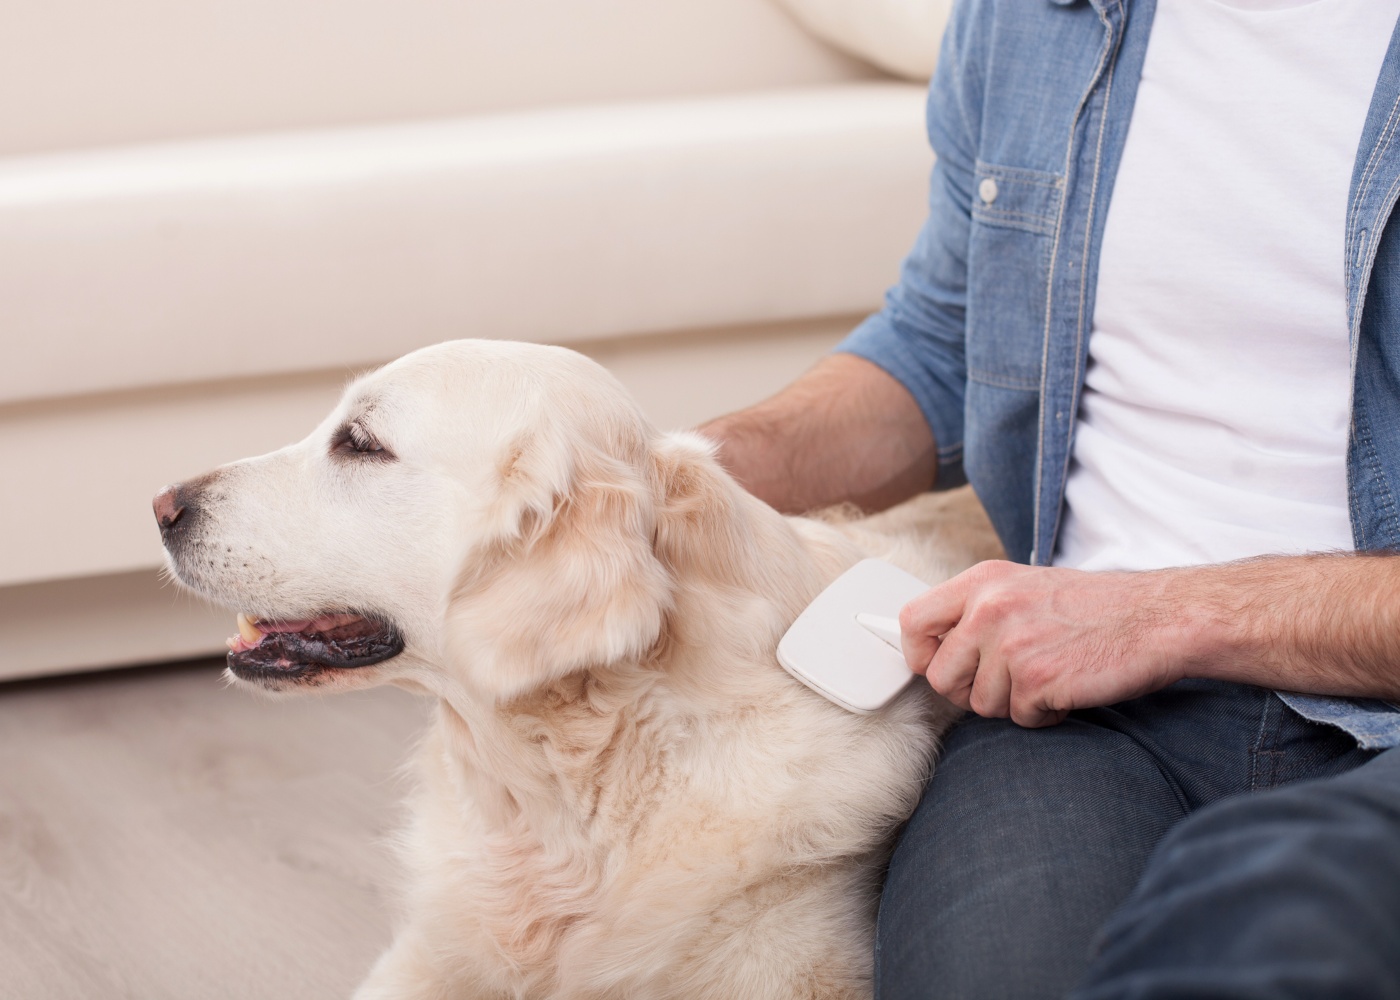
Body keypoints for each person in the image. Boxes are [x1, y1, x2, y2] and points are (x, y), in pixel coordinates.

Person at [700, 1, 1400, 997]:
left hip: (1366, 713)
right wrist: (664, 478)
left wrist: (1167, 612)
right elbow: (943, 343)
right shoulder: (1034, 18)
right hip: (1078, 712)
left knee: (1274, 931)